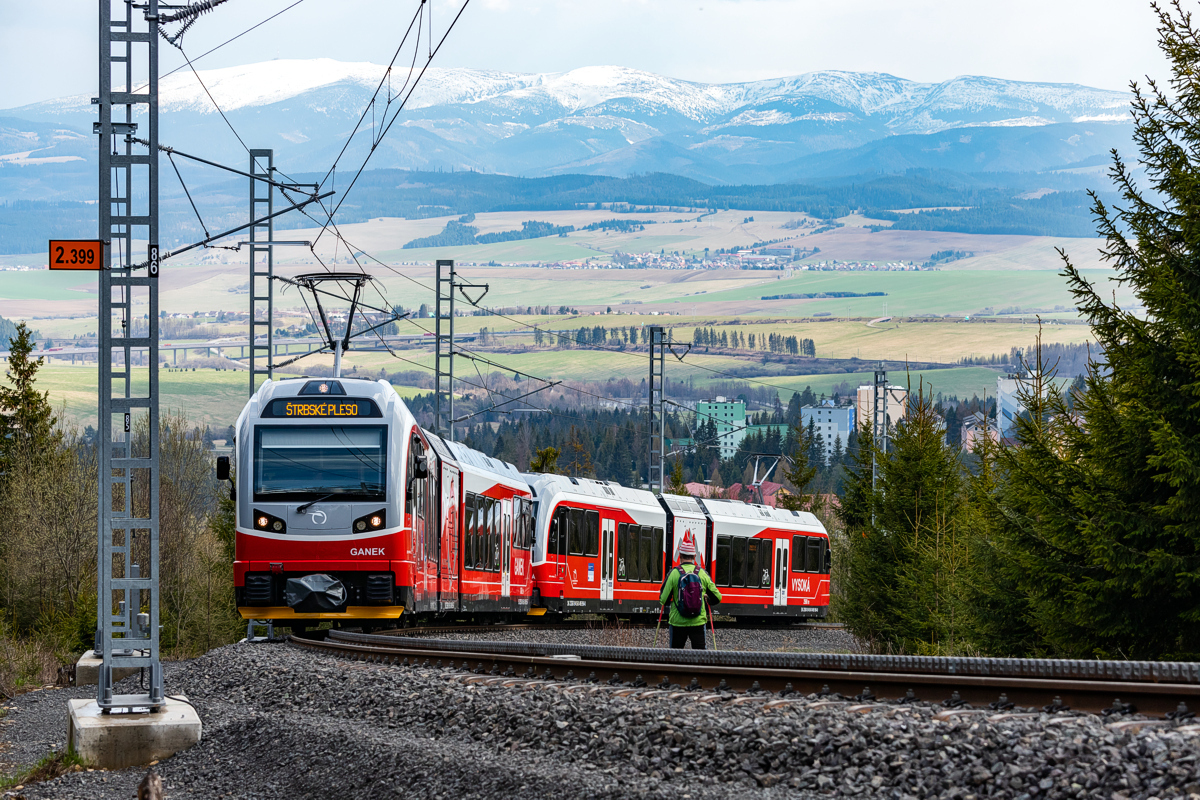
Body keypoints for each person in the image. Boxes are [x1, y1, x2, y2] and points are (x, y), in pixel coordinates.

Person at [659, 531, 721, 649]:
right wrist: (707, 599)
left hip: (677, 622)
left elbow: (663, 599)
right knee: (700, 657)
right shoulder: (702, 573)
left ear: (680, 556)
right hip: (698, 622)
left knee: (675, 657)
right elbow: (718, 597)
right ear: (694, 557)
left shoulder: (674, 573)